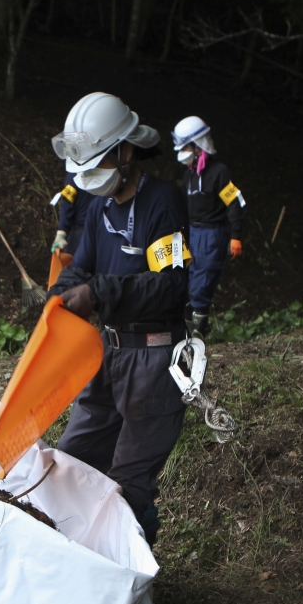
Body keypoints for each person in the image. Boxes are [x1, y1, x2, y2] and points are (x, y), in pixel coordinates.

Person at [48, 93, 192, 547]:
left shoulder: (162, 204)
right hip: (107, 356)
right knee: (70, 463)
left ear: (126, 152)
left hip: (152, 361)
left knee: (127, 488)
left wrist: (99, 293)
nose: (91, 178)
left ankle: (130, 583)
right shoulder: (98, 208)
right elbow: (81, 265)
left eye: (99, 163)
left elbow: (171, 285)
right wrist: (61, 292)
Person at [171, 115, 245, 337]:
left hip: (212, 234)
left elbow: (234, 203)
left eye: (186, 147)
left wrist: (236, 236)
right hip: (191, 233)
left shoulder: (219, 173)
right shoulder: (190, 176)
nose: (183, 153)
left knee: (201, 286)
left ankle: (198, 335)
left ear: (198, 146)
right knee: (184, 282)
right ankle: (183, 332)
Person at [49, 170, 95, 256]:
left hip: (81, 231)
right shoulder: (107, 168)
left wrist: (61, 233)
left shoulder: (77, 171)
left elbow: (68, 203)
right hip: (102, 230)